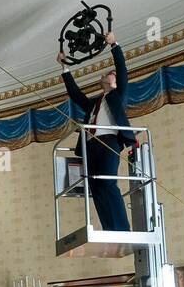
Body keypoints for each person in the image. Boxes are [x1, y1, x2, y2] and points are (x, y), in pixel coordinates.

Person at [57, 30, 135, 231]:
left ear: (115, 82)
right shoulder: (94, 103)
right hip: (90, 147)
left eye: (110, 75)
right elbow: (76, 95)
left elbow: (122, 70)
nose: (107, 75)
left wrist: (114, 45)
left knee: (108, 184)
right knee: (96, 188)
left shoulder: (118, 96)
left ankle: (122, 229)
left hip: (108, 143)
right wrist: (65, 67)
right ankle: (110, 229)